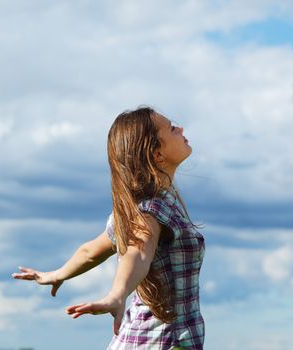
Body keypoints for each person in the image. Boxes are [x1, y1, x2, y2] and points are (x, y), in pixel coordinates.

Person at [12, 106, 206, 349]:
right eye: (171, 128)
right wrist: (118, 293)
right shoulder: (149, 210)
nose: (181, 128)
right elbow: (138, 252)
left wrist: (56, 274)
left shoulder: (142, 207)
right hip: (159, 342)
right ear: (157, 154)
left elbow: (91, 251)